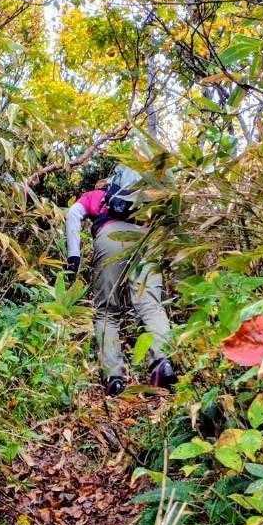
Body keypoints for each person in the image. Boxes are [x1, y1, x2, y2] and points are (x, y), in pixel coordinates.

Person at [64, 165, 177, 396]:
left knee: (106, 311)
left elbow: (73, 214)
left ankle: (114, 377)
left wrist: (74, 257)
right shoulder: (145, 198)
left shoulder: (98, 196)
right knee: (151, 305)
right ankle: (163, 362)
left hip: (111, 237)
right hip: (145, 240)